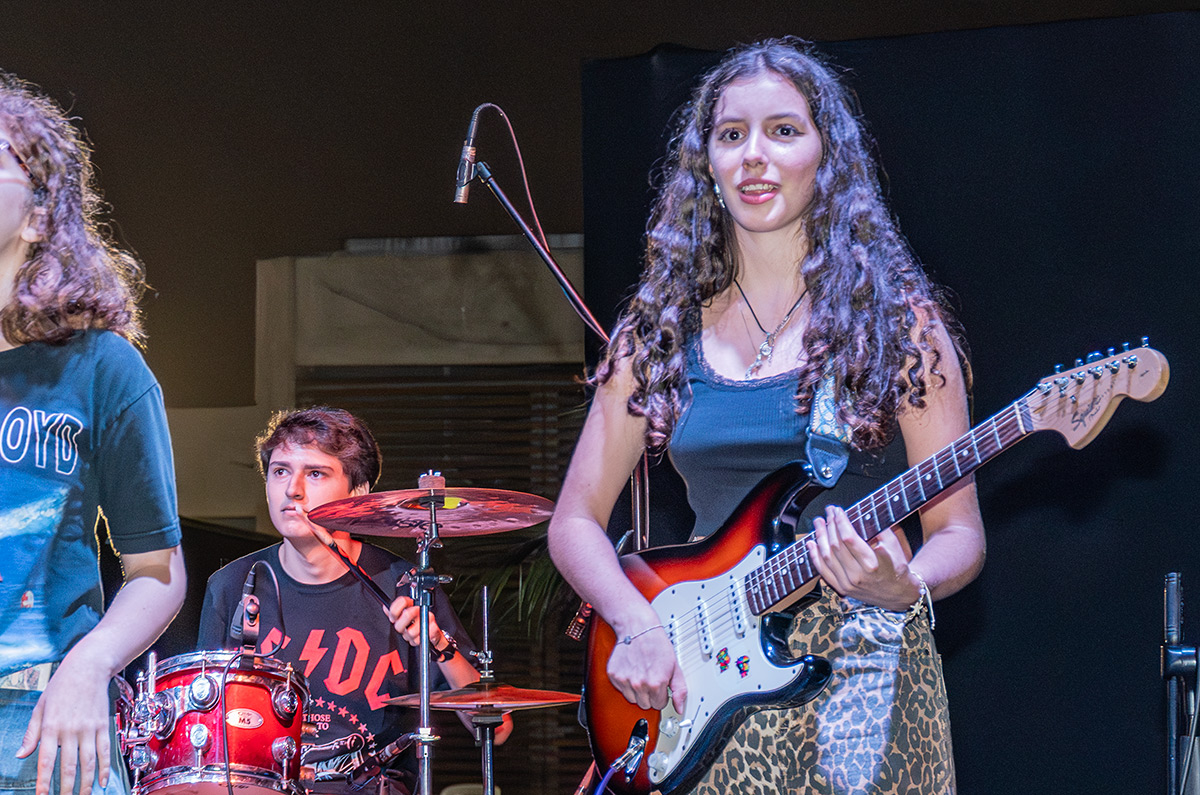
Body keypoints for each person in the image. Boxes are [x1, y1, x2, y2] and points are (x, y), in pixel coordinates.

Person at [547, 38, 985, 794]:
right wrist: (636, 623)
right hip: (714, 678)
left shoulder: (899, 327)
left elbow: (961, 533)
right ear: (707, 165)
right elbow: (574, 520)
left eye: (783, 130)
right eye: (731, 134)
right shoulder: (658, 333)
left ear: (827, 156)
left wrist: (907, 584)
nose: (755, 154)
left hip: (867, 668)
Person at [0, 73, 187, 795]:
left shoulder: (103, 368)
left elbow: (156, 570)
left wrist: (90, 664)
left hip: (41, 719)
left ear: (39, 217)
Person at [197, 407, 511, 795]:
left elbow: (496, 730)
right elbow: (204, 729)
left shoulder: (405, 585)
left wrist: (438, 646)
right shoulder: (231, 585)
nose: (293, 489)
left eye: (315, 473)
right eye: (280, 471)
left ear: (358, 493)